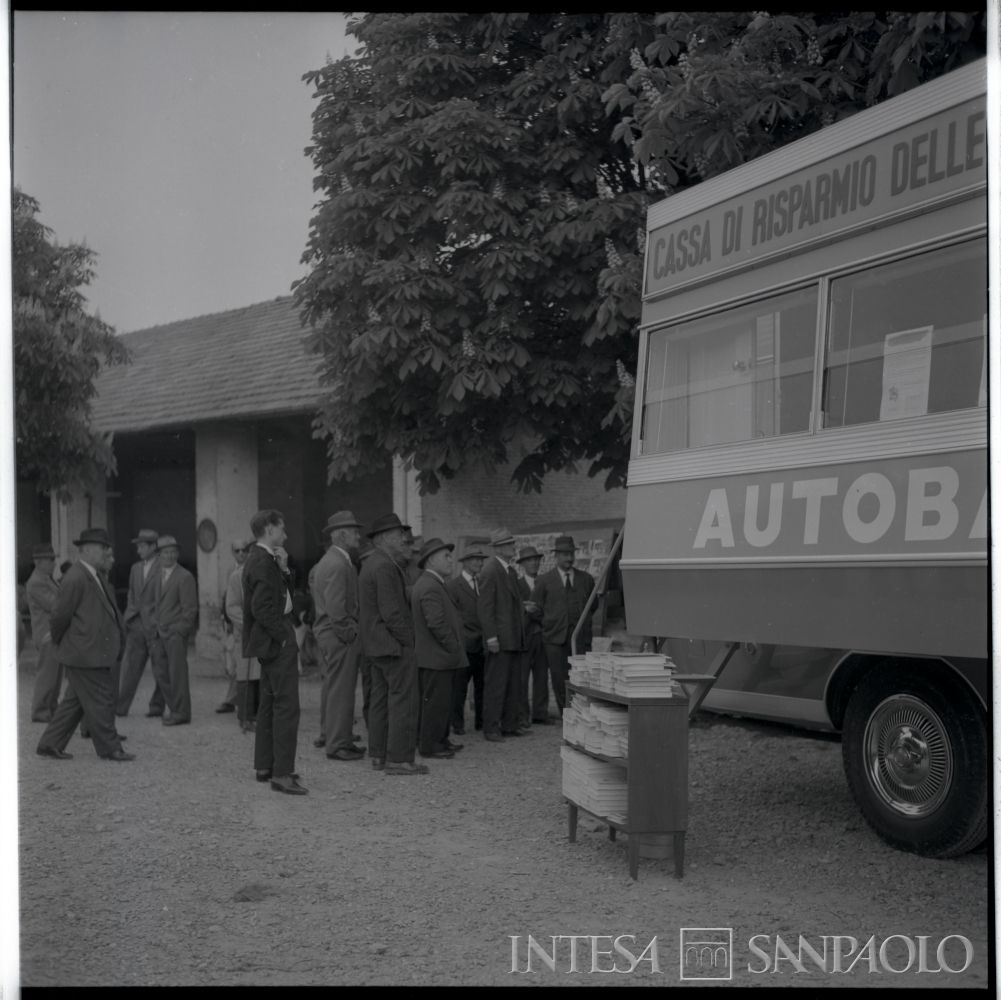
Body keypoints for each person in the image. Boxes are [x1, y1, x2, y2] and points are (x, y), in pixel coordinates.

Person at [35, 527, 134, 762]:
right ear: (86, 550)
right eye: (102, 547)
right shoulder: (77, 577)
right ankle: (110, 748)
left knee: (75, 702)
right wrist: (62, 642)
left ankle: (49, 744)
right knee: (101, 698)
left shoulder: (92, 574)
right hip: (84, 653)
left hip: (86, 652)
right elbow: (59, 616)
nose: (106, 551)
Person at [243, 509, 305, 795]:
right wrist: (282, 638)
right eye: (282, 529)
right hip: (277, 640)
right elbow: (261, 608)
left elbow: (284, 596)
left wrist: (285, 569)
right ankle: (282, 774)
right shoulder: (261, 561)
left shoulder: (266, 560)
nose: (286, 535)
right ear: (269, 529)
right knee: (286, 707)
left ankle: (266, 766)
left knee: (269, 705)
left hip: (269, 641)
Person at [358, 512, 425, 775]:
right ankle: (398, 760)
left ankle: (379, 755)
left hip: (376, 645)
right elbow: (392, 612)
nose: (403, 539)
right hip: (393, 645)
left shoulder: (373, 563)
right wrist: (409, 642)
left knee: (379, 700)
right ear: (384, 538)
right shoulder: (385, 566)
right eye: (399, 535)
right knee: (402, 701)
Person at [311, 510, 366, 762]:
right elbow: (336, 609)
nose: (359, 535)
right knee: (341, 690)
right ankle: (337, 745)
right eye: (355, 531)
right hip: (338, 636)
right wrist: (351, 634)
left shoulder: (333, 560)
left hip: (333, 635)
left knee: (339, 689)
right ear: (342, 535)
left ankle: (340, 739)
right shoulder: (337, 563)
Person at [412, 537, 467, 760]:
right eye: (446, 556)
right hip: (437, 657)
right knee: (436, 703)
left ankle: (440, 740)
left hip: (439, 656)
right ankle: (431, 745)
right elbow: (436, 623)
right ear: (431, 560)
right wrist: (454, 646)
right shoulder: (429, 585)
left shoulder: (433, 583)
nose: (451, 560)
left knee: (442, 701)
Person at [531, 534, 596, 715]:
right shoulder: (544, 580)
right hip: (554, 639)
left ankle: (580, 711)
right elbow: (535, 608)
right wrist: (549, 622)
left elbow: (593, 606)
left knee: (581, 675)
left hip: (580, 638)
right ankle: (566, 713)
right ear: (556, 556)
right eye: (564, 554)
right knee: (559, 678)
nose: (569, 558)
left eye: (571, 554)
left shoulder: (586, 579)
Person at [477, 528, 528, 742]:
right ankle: (491, 727)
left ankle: (508, 724)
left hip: (512, 638)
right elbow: (485, 608)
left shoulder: (509, 571)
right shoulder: (491, 571)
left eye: (512, 543)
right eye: (508, 544)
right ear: (497, 548)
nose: (513, 547)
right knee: (496, 685)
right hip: (501, 639)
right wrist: (491, 638)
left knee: (511, 684)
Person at [116, 528, 168, 718]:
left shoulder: (163, 568)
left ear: (154, 546)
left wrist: (158, 621)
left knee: (160, 669)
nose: (139, 550)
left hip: (155, 626)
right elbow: (131, 594)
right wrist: (129, 617)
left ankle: (157, 706)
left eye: (142, 546)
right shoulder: (135, 568)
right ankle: (121, 708)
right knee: (130, 669)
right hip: (136, 625)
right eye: (138, 547)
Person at [152, 535, 198, 726]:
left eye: (173, 552)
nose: (169, 556)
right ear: (159, 555)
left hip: (174, 634)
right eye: (165, 553)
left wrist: (179, 631)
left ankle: (181, 712)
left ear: (178, 553)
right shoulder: (157, 575)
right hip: (158, 633)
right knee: (161, 673)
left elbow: (190, 610)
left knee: (177, 674)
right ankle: (174, 709)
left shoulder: (184, 576)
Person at [446, 543, 487, 735]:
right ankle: (457, 723)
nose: (480, 562)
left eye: (481, 559)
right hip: (465, 645)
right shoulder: (453, 586)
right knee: (459, 688)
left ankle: (481, 721)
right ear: (466, 563)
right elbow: (454, 618)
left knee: (482, 686)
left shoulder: (483, 583)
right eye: (476, 559)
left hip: (483, 645)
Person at [222, 538, 260, 730]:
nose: (250, 556)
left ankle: (259, 715)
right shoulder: (237, 577)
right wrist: (250, 624)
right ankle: (245, 717)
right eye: (248, 552)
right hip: (244, 634)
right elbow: (231, 607)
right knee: (245, 675)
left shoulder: (266, 575)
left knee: (260, 675)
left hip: (264, 635)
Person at [516, 545, 553, 725]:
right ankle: (522, 715)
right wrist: (527, 610)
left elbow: (549, 610)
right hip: (524, 637)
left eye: (536, 559)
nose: (534, 563)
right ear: (522, 564)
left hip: (542, 636)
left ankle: (540, 713)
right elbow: (514, 610)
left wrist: (533, 611)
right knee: (522, 678)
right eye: (529, 560)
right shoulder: (517, 585)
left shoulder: (545, 582)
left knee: (541, 676)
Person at [27, 543, 62, 722]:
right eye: (50, 560)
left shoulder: (47, 579)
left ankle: (50, 708)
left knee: (55, 675)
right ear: (38, 562)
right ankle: (40, 711)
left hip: (52, 634)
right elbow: (54, 605)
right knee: (47, 675)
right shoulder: (36, 582)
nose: (54, 563)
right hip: (46, 634)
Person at [216, 539, 249, 714]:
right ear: (232, 552)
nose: (241, 554)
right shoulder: (231, 571)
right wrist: (226, 622)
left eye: (244, 550)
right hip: (232, 624)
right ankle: (233, 699)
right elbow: (226, 598)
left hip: (245, 624)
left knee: (240, 665)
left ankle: (234, 701)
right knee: (232, 664)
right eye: (237, 551)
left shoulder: (251, 570)